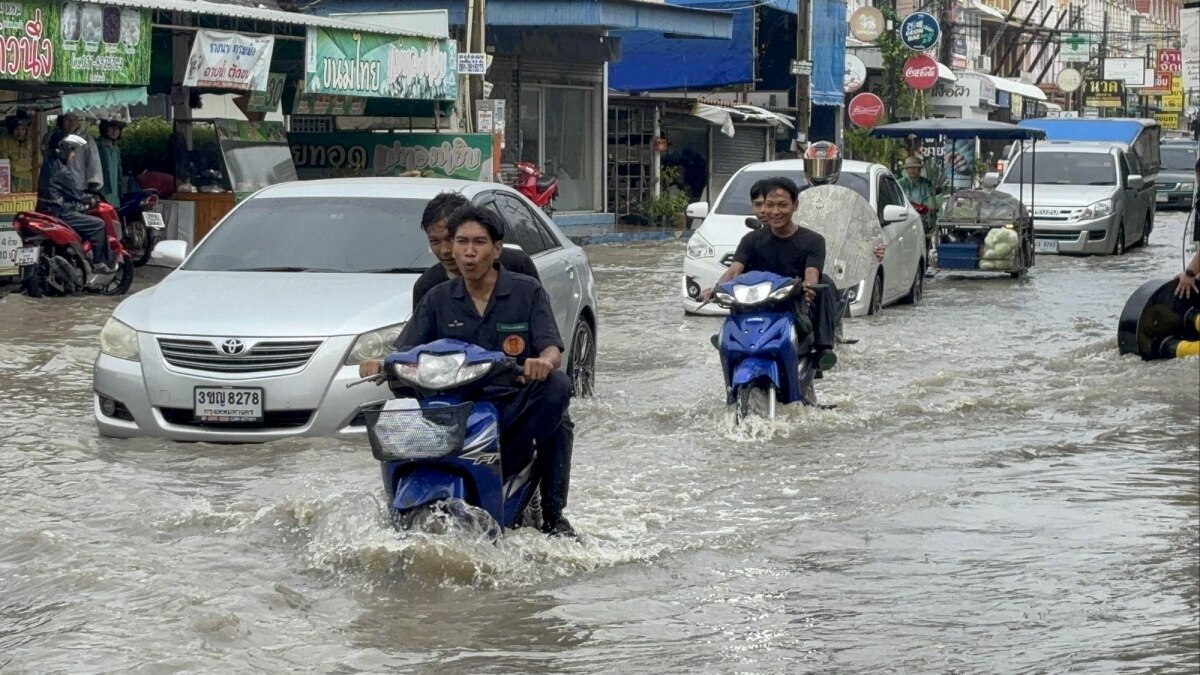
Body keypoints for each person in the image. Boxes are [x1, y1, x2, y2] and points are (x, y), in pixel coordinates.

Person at [361, 206, 577, 538]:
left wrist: (543, 362)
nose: (468, 252)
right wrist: (382, 363)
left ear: (496, 249)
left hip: (508, 404)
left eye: (478, 242)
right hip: (453, 405)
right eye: (461, 242)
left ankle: (551, 512)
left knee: (558, 391)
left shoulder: (525, 290)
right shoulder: (436, 296)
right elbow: (406, 350)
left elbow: (551, 346)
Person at [704, 175, 840, 370]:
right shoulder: (751, 240)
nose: (775, 211)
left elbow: (812, 272)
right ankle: (730, 336)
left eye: (783, 205)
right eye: (769, 205)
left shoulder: (814, 240)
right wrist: (717, 289)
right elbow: (734, 270)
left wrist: (809, 287)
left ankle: (822, 347)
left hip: (792, 300)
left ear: (795, 205)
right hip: (757, 302)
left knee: (824, 281)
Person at [412, 191, 539, 307]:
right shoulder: (427, 287)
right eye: (434, 241)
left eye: (451, 239)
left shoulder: (517, 266)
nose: (444, 250)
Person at [37, 134, 113, 273]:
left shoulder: (49, 165)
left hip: (48, 210)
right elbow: (77, 194)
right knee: (98, 224)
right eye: (71, 152)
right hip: (61, 213)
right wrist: (91, 200)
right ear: (64, 151)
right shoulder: (61, 170)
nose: (73, 156)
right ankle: (98, 263)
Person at [42, 112, 101, 191]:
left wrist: (93, 184)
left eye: (74, 119)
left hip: (79, 186)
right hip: (57, 186)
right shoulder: (52, 137)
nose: (71, 122)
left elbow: (93, 163)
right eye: (67, 119)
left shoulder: (87, 139)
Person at [0, 110, 35, 192]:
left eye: (23, 129)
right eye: (17, 129)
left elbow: (38, 162)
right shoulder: (4, 142)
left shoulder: (33, 142)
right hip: (10, 184)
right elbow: (4, 164)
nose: (20, 132)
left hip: (30, 185)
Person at [96, 119, 125, 206]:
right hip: (102, 192)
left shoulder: (116, 148)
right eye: (112, 128)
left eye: (117, 129)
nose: (115, 131)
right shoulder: (97, 145)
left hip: (115, 194)